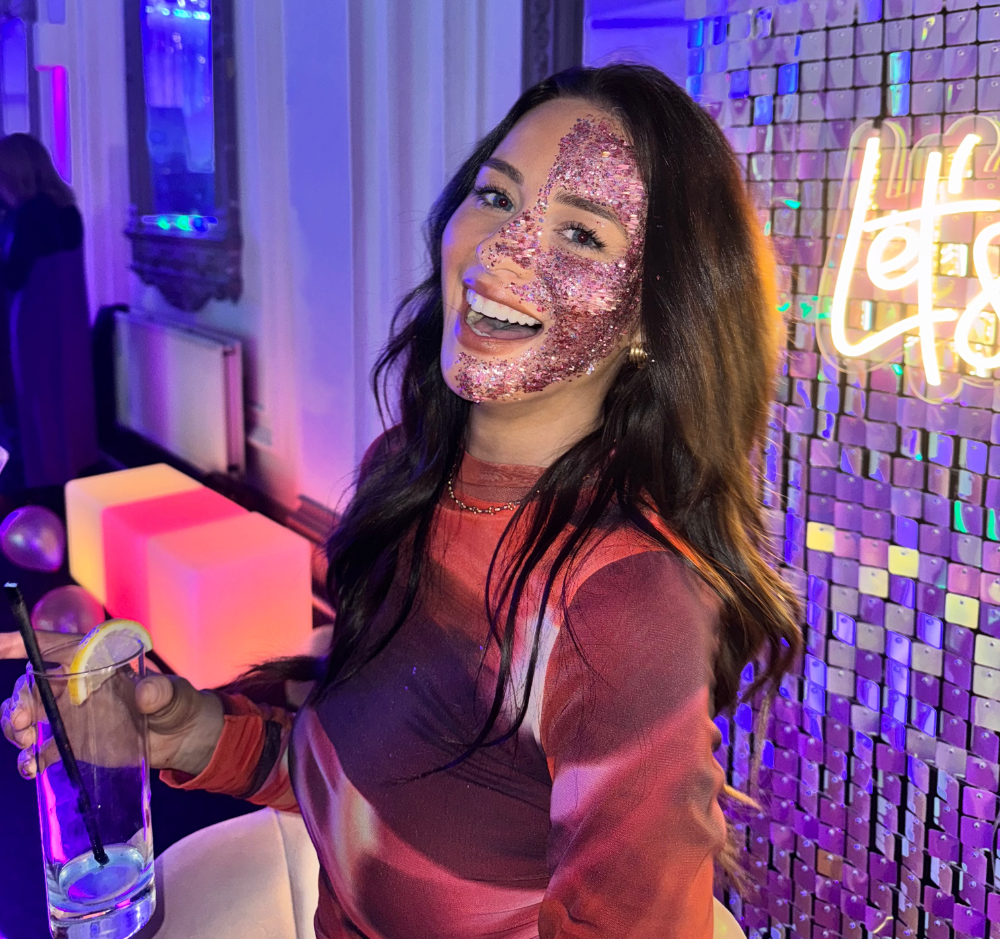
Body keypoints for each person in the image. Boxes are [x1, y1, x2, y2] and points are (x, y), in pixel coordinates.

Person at [2, 65, 801, 938]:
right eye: (496, 197)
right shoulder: (409, 474)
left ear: (652, 317)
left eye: (580, 233)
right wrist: (181, 729)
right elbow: (362, 777)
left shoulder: (621, 603)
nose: (503, 250)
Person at [0, 133, 98, 491]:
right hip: (66, 319)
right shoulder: (67, 210)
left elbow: (13, 275)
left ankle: (39, 483)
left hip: (31, 321)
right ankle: (65, 473)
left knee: (34, 401)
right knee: (65, 396)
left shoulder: (29, 216)